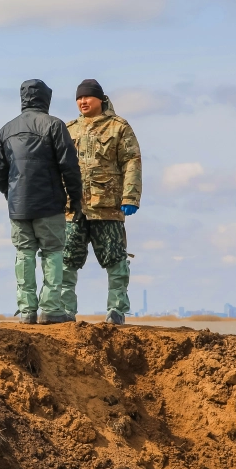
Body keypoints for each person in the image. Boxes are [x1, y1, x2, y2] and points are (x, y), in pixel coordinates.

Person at [0, 80, 82, 324]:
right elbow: (69, 166)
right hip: (50, 204)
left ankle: (26, 310)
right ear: (46, 99)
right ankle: (51, 309)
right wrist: (76, 198)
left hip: (18, 206)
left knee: (24, 253)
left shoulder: (6, 129)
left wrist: (11, 195)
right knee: (53, 252)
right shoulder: (54, 125)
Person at [61, 79, 143, 325]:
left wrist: (130, 197)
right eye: (79, 98)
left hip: (107, 206)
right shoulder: (69, 129)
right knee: (66, 261)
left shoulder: (118, 127)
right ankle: (65, 311)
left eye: (87, 97)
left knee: (115, 259)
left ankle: (116, 310)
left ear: (100, 99)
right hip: (73, 208)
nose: (82, 102)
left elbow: (132, 161)